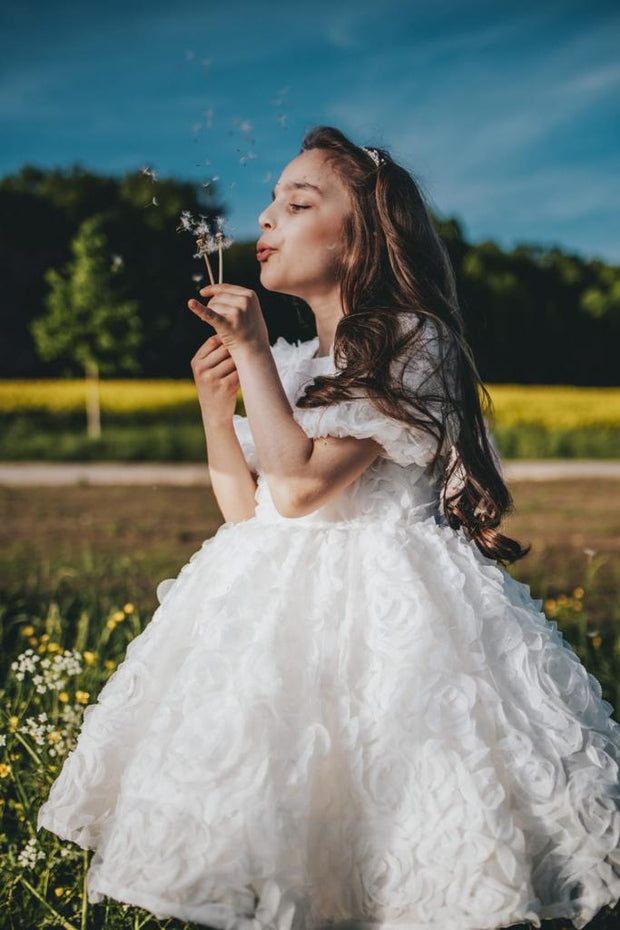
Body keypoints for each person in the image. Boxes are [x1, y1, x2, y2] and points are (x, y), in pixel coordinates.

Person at [37, 126, 620, 930]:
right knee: (293, 810)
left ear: (362, 238)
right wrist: (219, 410)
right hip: (279, 621)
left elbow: (303, 485)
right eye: (270, 201)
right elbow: (249, 512)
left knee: (387, 804)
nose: (267, 219)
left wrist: (248, 357)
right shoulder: (292, 359)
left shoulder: (410, 339)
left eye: (299, 202)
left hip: (390, 620)